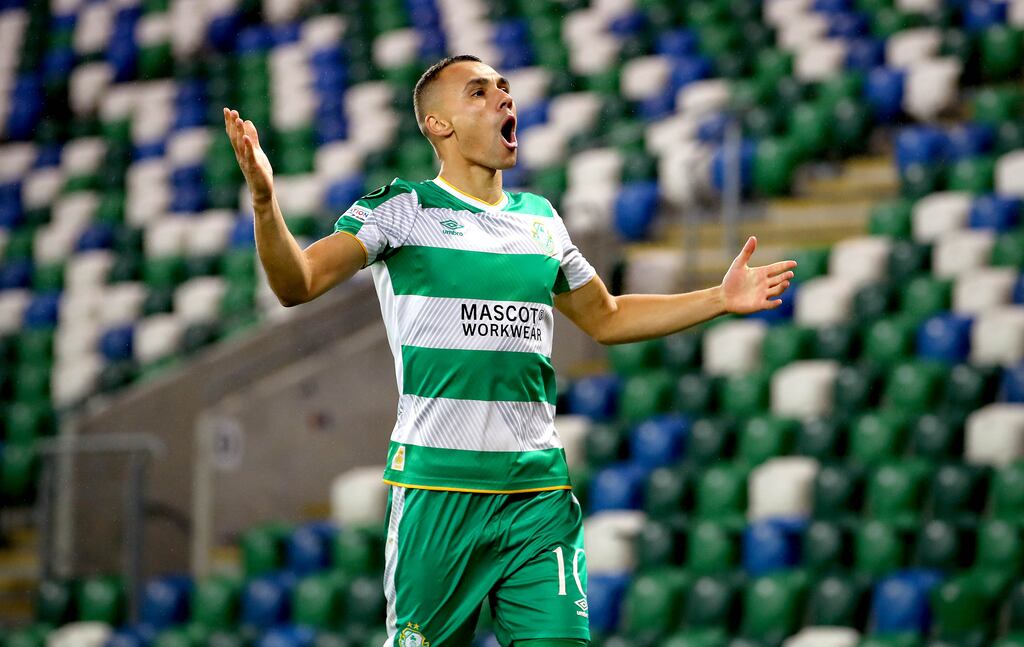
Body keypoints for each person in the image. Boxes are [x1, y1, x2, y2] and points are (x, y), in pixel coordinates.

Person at [223, 54, 796, 647]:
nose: (503, 99)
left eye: (504, 88)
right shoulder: (402, 208)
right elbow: (298, 284)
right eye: (478, 92)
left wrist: (717, 299)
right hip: (439, 493)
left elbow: (607, 316)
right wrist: (267, 205)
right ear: (437, 125)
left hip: (537, 495)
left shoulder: (541, 221)